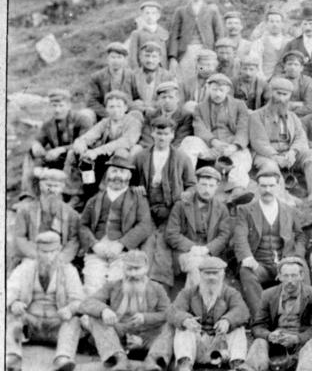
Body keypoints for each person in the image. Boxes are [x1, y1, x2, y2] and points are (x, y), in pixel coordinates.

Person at [226, 256, 312, 371]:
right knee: (259, 341)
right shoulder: (268, 295)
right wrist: (269, 335)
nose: (290, 280)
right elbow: (258, 326)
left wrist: (297, 338)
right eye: (286, 276)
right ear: (279, 276)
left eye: (294, 276)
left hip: (300, 343)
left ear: (302, 276)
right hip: (275, 343)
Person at [78, 250, 173, 371]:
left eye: (137, 269)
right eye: (129, 269)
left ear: (146, 268)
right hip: (119, 336)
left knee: (171, 324)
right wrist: (104, 310)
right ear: (123, 268)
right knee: (95, 317)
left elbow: (168, 313)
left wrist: (146, 318)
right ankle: (120, 359)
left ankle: (152, 361)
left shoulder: (157, 288)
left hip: (148, 338)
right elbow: (87, 303)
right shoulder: (112, 286)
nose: (133, 274)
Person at [6, 231, 85, 371]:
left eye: (52, 252)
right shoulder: (25, 268)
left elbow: (79, 300)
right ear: (37, 250)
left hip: (57, 324)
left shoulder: (69, 270)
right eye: (44, 252)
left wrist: (70, 309)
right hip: (30, 324)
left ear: (59, 250)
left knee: (74, 320)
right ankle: (13, 356)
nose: (48, 256)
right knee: (11, 314)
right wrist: (14, 303)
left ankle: (62, 358)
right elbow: (8, 291)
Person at [232, 167, 307, 317]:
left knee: (302, 267)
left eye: (271, 186)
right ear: (257, 187)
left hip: (285, 262)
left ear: (278, 187)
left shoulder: (289, 210)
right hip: (259, 263)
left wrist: (297, 256)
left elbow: (300, 235)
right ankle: (261, 318)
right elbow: (240, 235)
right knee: (246, 272)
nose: (267, 190)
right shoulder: (246, 210)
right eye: (263, 186)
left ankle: (303, 316)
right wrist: (247, 257)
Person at [248, 77, 312, 205]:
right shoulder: (256, 116)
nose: (281, 98)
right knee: (270, 167)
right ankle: (282, 200)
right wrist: (275, 157)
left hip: (289, 154)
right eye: (278, 93)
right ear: (271, 93)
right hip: (267, 155)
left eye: (285, 95)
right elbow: (259, 142)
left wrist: (293, 152)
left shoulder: (292, 117)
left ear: (289, 96)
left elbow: (300, 137)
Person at [78, 153, 153, 293]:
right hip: (97, 250)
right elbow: (83, 225)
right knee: (92, 286)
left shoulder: (138, 199)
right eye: (114, 171)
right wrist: (94, 245)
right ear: (107, 175)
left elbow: (144, 225)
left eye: (122, 171)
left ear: (129, 176)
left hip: (123, 253)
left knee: (118, 285)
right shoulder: (95, 199)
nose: (118, 175)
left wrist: (121, 244)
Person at [168, 256, 250, 371]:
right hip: (198, 345)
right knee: (183, 329)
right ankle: (185, 365)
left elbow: (242, 311)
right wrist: (186, 320)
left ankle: (238, 367)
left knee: (238, 330)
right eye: (207, 273)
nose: (211, 277)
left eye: (215, 273)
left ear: (222, 274)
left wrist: (227, 320)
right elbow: (173, 311)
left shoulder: (231, 293)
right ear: (200, 274)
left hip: (221, 346)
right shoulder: (188, 292)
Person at [165, 166, 233, 288]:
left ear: (217, 186)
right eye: (203, 184)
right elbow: (171, 233)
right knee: (197, 266)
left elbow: (224, 236)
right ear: (196, 184)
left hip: (210, 253)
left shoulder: (221, 209)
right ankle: (194, 303)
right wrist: (192, 248)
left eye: (211, 186)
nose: (206, 189)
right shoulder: (181, 205)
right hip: (185, 253)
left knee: (212, 272)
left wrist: (207, 249)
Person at [21, 88, 93, 196]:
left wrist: (61, 149)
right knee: (30, 153)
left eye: (61, 105)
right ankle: (28, 193)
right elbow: (38, 139)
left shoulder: (82, 119)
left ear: (69, 106)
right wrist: (36, 145)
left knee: (72, 154)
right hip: (59, 161)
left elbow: (86, 143)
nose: (57, 110)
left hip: (80, 160)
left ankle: (73, 194)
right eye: (54, 105)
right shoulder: (48, 124)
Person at [187, 71, 252, 188]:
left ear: (228, 90)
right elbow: (199, 128)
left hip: (231, 146)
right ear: (208, 89)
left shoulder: (239, 105)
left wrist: (235, 146)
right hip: (210, 146)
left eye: (221, 90)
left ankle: (236, 189)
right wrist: (213, 142)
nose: (217, 94)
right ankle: (189, 182)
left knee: (242, 160)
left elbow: (243, 128)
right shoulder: (200, 108)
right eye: (214, 89)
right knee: (189, 142)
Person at [134, 116, 196, 228]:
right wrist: (136, 188)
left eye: (166, 134)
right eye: (159, 133)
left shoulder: (182, 158)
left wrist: (187, 194)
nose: (162, 138)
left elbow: (192, 185)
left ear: (172, 135)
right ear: (152, 133)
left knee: (167, 237)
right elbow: (131, 182)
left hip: (171, 208)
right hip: (146, 207)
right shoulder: (140, 157)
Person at [11, 169, 81, 267]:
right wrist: (35, 256)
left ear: (62, 188)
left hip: (59, 257)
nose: (51, 190)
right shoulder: (25, 211)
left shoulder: (71, 214)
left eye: (56, 186)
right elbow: (20, 237)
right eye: (48, 185)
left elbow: (73, 240)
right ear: (40, 186)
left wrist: (62, 258)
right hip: (33, 255)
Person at [167, 0, 224, 76]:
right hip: (186, 52)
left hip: (206, 51)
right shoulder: (181, 11)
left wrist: (218, 54)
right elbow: (174, 35)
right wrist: (173, 57)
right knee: (186, 76)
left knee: (203, 73)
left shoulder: (212, 11)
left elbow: (219, 34)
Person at [87, 42, 140, 119]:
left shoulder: (131, 75)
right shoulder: (97, 77)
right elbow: (91, 101)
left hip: (127, 113)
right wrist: (107, 114)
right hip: (105, 114)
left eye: (119, 57)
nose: (116, 61)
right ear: (107, 59)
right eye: (113, 57)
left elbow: (136, 97)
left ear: (125, 59)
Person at [276, 4, 312, 75]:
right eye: (305, 24)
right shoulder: (293, 43)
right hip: (300, 80)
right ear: (300, 25)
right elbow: (281, 64)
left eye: (311, 24)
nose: (308, 28)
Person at [125, 0, 170, 69]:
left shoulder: (164, 33)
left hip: (161, 70)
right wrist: (136, 72)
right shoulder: (136, 34)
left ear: (158, 16)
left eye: (153, 13)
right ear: (142, 15)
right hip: (143, 70)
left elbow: (167, 54)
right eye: (147, 13)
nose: (150, 16)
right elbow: (132, 57)